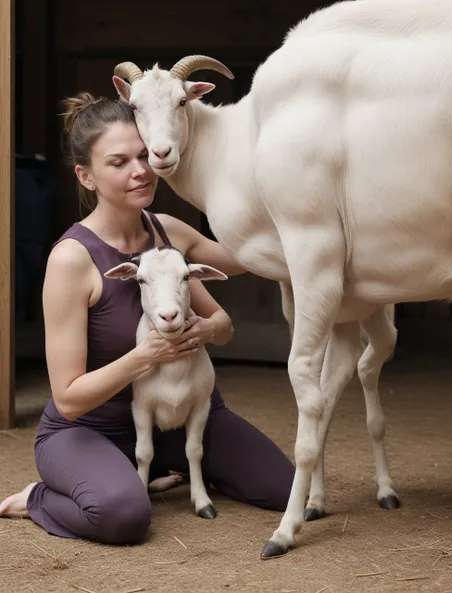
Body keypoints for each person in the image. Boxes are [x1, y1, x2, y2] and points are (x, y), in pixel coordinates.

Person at [0, 93, 294, 544]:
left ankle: (155, 464)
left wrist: (209, 327)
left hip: (175, 418)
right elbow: (69, 398)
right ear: (87, 176)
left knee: (287, 489)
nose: (139, 170)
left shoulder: (166, 233)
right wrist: (147, 354)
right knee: (123, 516)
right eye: (118, 162)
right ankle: (41, 497)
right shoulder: (71, 260)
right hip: (89, 429)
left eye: (142, 156)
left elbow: (237, 282)